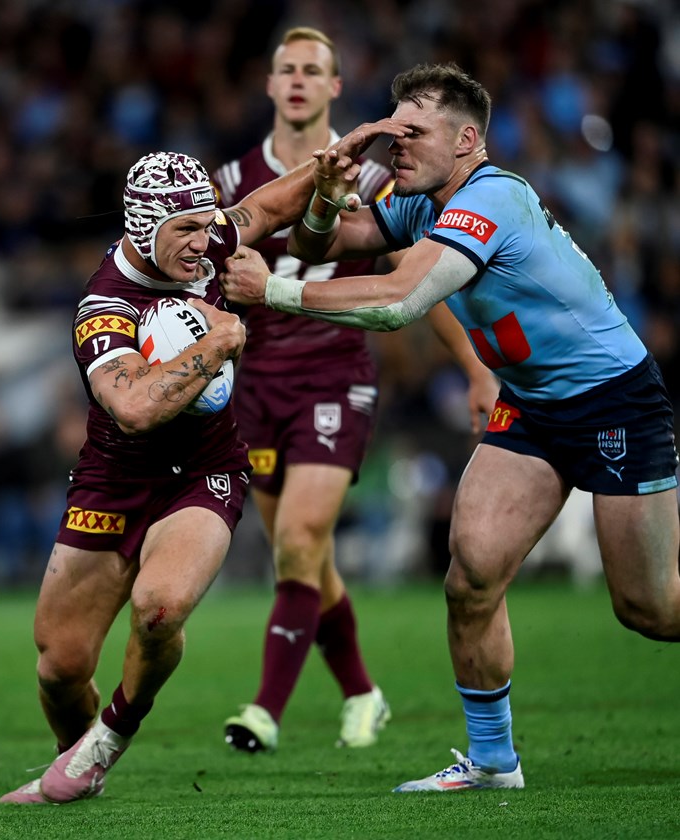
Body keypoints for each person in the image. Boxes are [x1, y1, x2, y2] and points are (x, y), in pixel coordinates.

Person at [219, 62, 680, 791]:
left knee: (650, 609)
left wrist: (271, 291)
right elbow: (322, 246)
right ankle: (494, 761)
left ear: (467, 139)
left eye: (414, 131)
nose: (395, 144)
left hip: (612, 399)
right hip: (532, 404)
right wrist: (329, 192)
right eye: (392, 127)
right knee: (470, 579)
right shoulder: (422, 201)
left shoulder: (489, 198)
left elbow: (401, 299)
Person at [0, 131, 396, 805]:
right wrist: (215, 346)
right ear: (145, 228)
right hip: (113, 478)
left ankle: (108, 742)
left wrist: (329, 164)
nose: (202, 241)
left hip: (204, 469)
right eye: (185, 228)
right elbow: (131, 407)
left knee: (160, 610)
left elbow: (265, 209)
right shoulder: (106, 306)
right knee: (61, 667)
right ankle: (78, 755)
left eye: (207, 221)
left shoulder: (206, 239)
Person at [212, 29, 498, 754]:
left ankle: (264, 710)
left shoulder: (375, 176)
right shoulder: (232, 179)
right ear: (271, 85)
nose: (301, 80)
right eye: (288, 70)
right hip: (259, 387)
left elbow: (421, 285)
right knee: (300, 558)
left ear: (336, 87)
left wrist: (473, 366)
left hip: (336, 376)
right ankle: (364, 693)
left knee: (304, 541)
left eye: (315, 70)